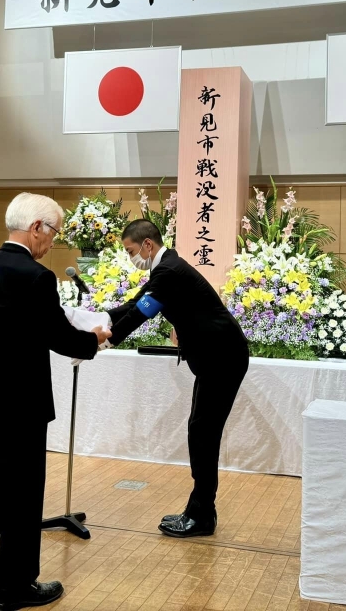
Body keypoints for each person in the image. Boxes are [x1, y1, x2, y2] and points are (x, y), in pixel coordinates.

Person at [0, 193, 111, 610]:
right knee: (21, 496)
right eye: (54, 232)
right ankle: (15, 587)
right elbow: (57, 336)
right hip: (21, 406)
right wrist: (94, 339)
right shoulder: (37, 277)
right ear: (37, 228)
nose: (53, 242)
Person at [107, 219, 249, 538]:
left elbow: (141, 313)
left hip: (223, 358)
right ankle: (201, 511)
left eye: (130, 251)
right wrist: (102, 319)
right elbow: (136, 304)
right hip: (218, 358)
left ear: (147, 244)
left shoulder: (169, 270)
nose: (131, 258)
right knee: (200, 431)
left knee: (203, 433)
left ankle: (201, 514)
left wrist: (106, 340)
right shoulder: (166, 268)